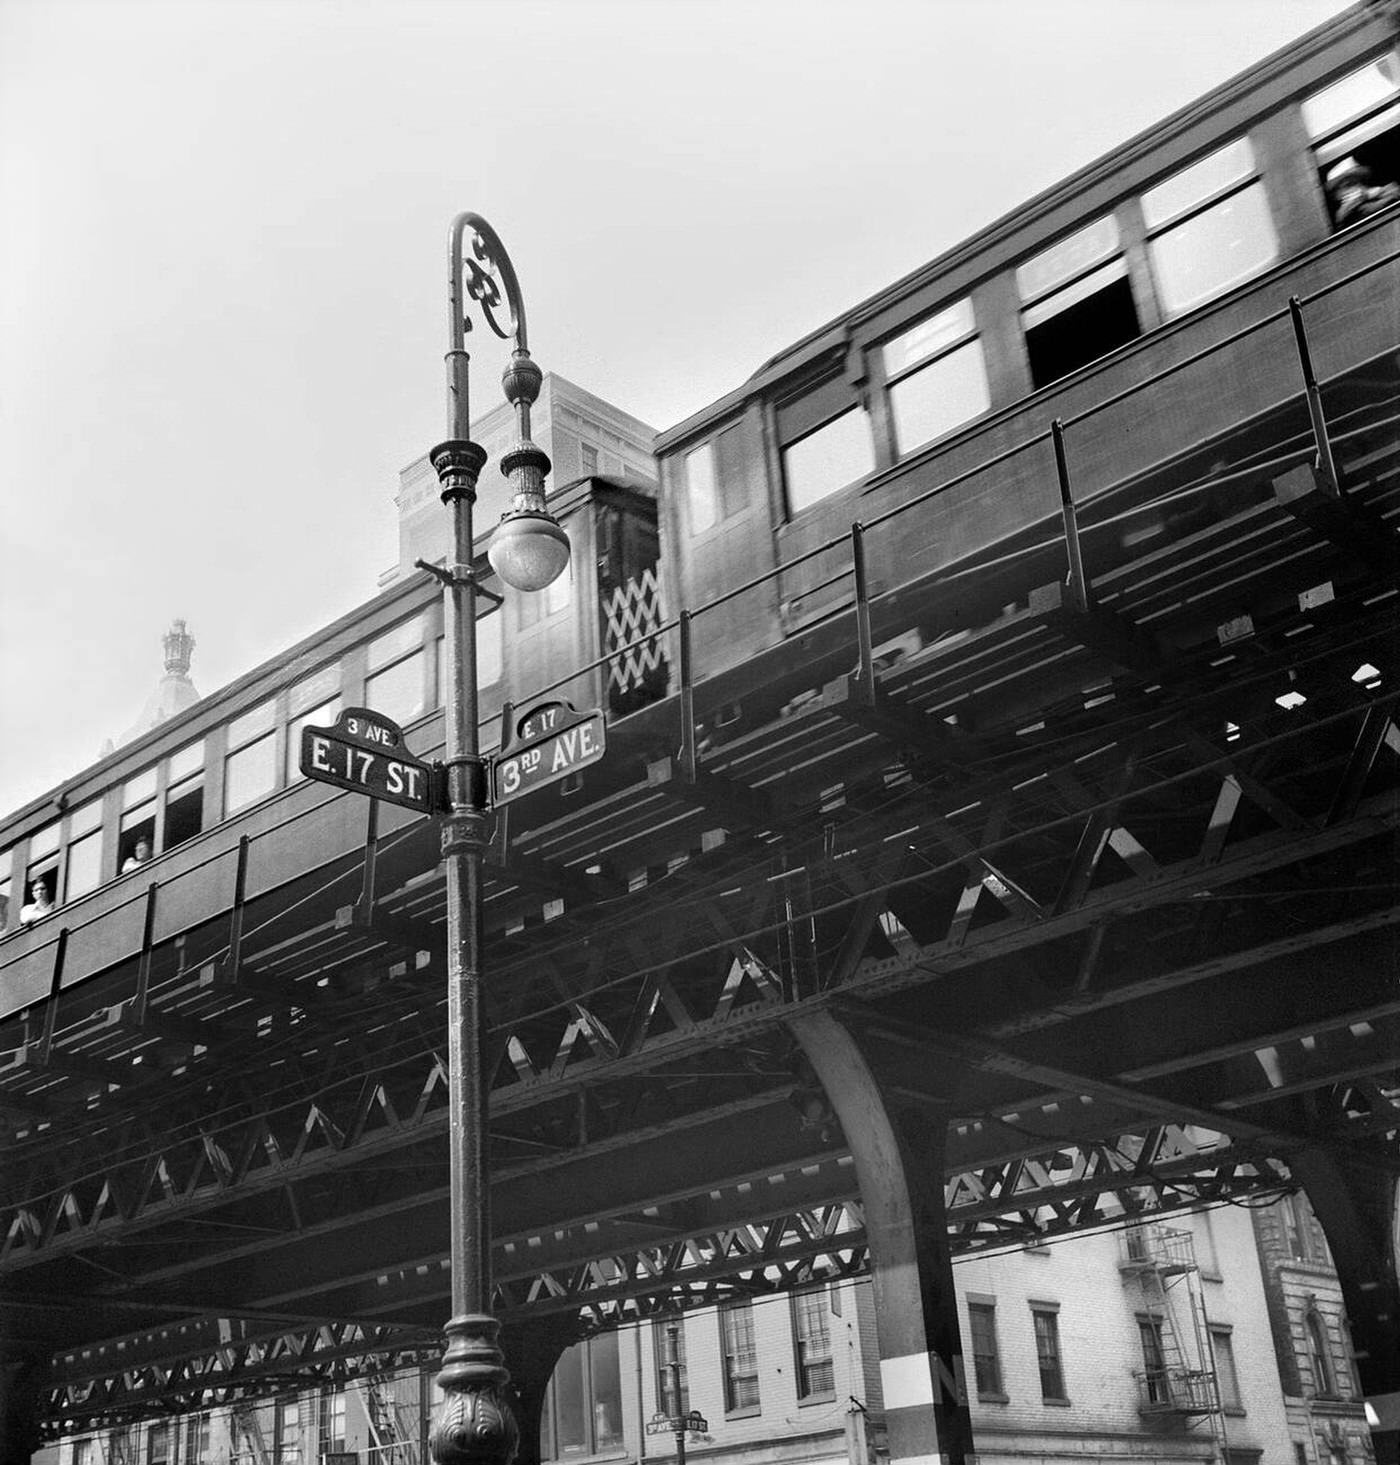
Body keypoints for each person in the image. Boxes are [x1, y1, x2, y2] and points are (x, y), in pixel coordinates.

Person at [1325, 156, 1400, 228]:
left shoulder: (1372, 196)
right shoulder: (1344, 214)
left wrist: (1369, 194)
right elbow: (1344, 217)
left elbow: (1394, 191)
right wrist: (1359, 199)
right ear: (1337, 195)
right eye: (1348, 185)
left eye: (1357, 182)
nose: (1355, 187)